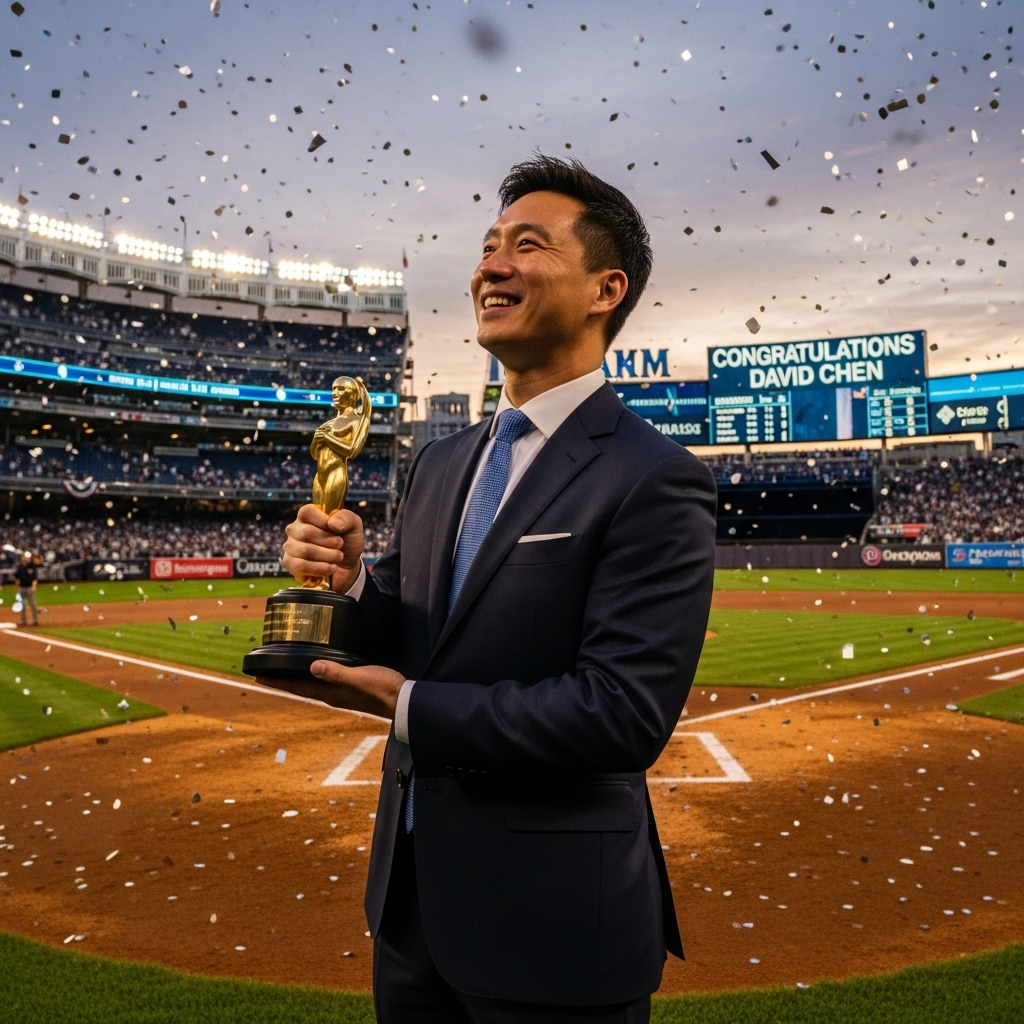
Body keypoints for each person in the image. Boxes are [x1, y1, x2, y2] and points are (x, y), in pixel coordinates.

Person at [281, 155, 718, 1023]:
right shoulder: (441, 463)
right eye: (488, 246)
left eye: (528, 244)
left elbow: (621, 714)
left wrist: (411, 710)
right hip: (409, 918)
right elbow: (415, 632)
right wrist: (353, 580)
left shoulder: (654, 477)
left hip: (553, 932)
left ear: (605, 289)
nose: (492, 265)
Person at [16, 551, 39, 626]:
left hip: (29, 587)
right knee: (22, 605)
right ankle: (23, 620)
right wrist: (18, 587)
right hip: (22, 587)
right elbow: (17, 578)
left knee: (33, 604)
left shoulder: (31, 566)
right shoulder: (19, 567)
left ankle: (35, 620)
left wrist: (33, 586)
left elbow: (34, 578)